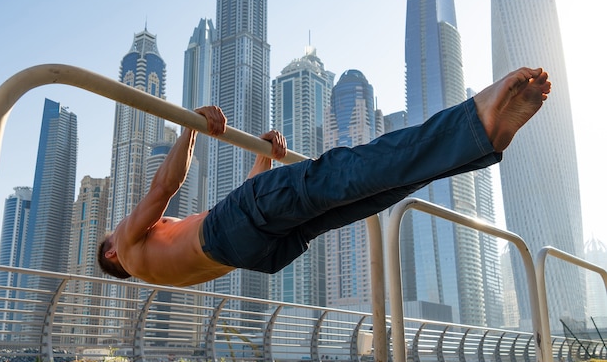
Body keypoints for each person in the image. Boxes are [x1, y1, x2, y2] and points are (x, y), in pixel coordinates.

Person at [98, 67, 551, 287]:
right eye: (111, 235)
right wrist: (190, 129)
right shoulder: (128, 242)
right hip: (232, 229)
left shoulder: (158, 266)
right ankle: (473, 122)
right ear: (112, 252)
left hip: (255, 252)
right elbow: (164, 187)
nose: (119, 227)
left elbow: (242, 220)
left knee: (365, 194)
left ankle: (479, 144)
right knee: (343, 173)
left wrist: (265, 162)